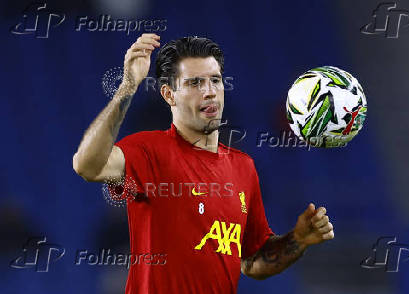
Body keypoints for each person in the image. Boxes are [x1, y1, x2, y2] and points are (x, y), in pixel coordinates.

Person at [73, 33, 334, 294]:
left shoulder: (243, 169)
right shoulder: (148, 152)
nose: (208, 92)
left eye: (215, 81)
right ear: (169, 95)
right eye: (195, 83)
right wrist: (127, 88)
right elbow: (88, 165)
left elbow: (253, 263)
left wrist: (297, 240)